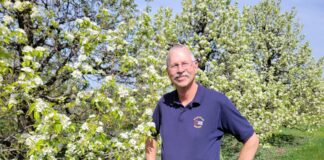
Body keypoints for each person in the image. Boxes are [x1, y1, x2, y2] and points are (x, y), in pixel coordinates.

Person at [145, 44, 259, 160]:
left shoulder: (216, 102)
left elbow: (251, 140)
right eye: (174, 65)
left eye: (184, 63)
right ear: (168, 72)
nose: (180, 70)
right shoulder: (163, 103)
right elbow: (151, 136)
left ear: (195, 66)